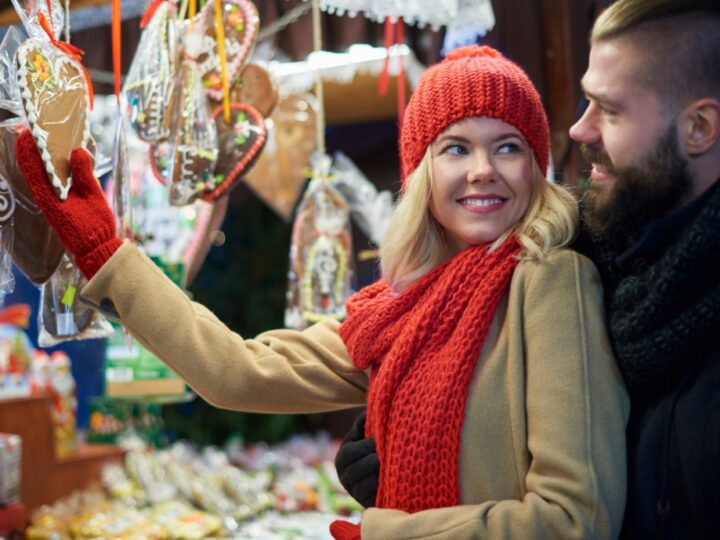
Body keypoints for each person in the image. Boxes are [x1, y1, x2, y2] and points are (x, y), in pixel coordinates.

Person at [16, 46, 629, 539]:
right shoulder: (399, 311)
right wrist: (109, 255)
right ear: (421, 176)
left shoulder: (551, 281)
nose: (481, 170)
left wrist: (389, 530)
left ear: (535, 166)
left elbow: (575, 518)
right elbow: (238, 371)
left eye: (508, 147)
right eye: (455, 148)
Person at [335, 1, 720, 539]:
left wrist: (396, 529)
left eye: (608, 109)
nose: (579, 130)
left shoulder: (564, 278)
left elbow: (578, 515)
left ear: (699, 127)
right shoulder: (616, 257)